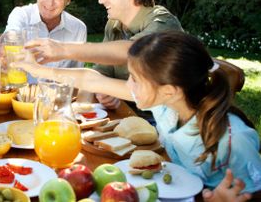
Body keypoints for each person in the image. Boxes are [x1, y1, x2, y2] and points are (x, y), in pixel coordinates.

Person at [15, 31, 261, 199]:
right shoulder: (166, 103)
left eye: (135, 78)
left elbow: (253, 191)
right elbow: (93, 79)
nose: (128, 83)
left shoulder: (233, 140)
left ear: (169, 90)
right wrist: (36, 69)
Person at [26, 0, 183, 109]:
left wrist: (62, 50)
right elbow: (99, 72)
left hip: (167, 123)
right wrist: (82, 109)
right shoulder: (114, 25)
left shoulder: (163, 22)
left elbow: (133, 51)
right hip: (126, 115)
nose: (101, 0)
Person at [2, 0, 87, 69]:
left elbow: (77, 74)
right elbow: (11, 35)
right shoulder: (21, 15)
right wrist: (6, 43)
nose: (50, 2)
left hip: (59, 85)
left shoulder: (78, 29)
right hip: (22, 85)